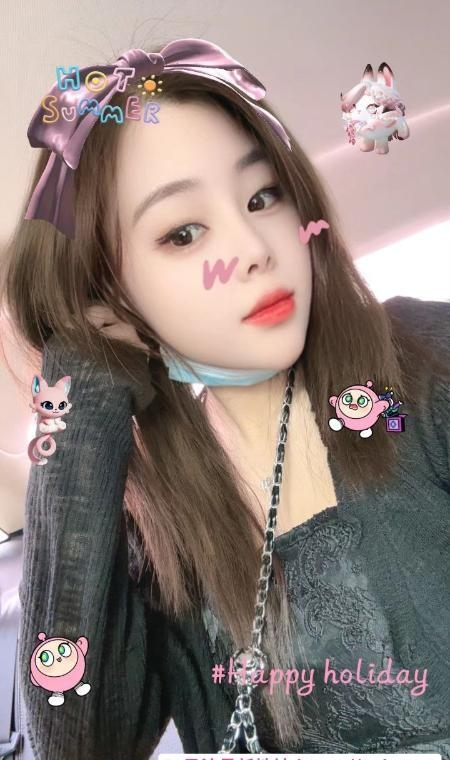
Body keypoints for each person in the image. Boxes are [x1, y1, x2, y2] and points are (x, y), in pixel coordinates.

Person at [1, 36, 450, 760]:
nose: (254, 247)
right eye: (183, 233)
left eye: (262, 196)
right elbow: (78, 739)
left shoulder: (420, 369)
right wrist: (83, 393)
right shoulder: (154, 528)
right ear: (107, 293)